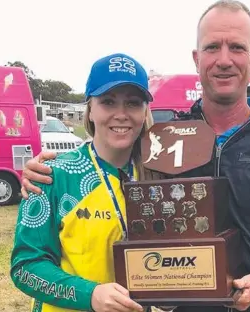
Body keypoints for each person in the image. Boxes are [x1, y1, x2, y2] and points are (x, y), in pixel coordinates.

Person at [20, 1, 250, 312]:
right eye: (213, 47)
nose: (224, 59)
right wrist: (41, 174)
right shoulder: (160, 141)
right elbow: (105, 153)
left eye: (237, 48)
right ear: (196, 58)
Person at [10, 52, 161, 312]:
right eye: (108, 102)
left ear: (145, 111)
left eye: (133, 103)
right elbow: (26, 266)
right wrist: (89, 294)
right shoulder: (51, 175)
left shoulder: (160, 177)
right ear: (90, 110)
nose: (121, 114)